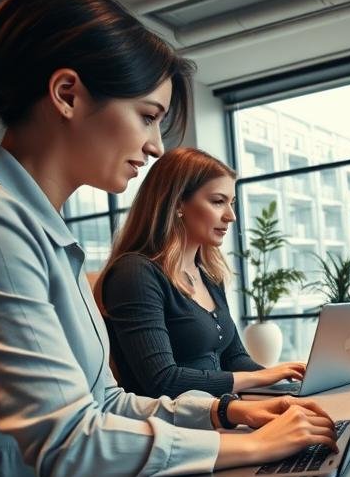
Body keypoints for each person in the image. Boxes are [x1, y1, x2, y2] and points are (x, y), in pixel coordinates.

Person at [0, 0, 337, 477]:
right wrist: (250, 448)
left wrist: (226, 412)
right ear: (67, 94)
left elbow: (107, 403)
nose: (156, 145)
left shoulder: (42, 226)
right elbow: (66, 442)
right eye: (147, 116)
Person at [97, 147, 307, 398]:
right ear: (177, 204)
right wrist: (260, 378)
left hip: (225, 415)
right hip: (177, 428)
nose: (231, 216)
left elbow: (234, 357)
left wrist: (287, 386)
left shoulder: (208, 274)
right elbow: (163, 381)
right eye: (218, 201)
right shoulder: (135, 273)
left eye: (232, 203)